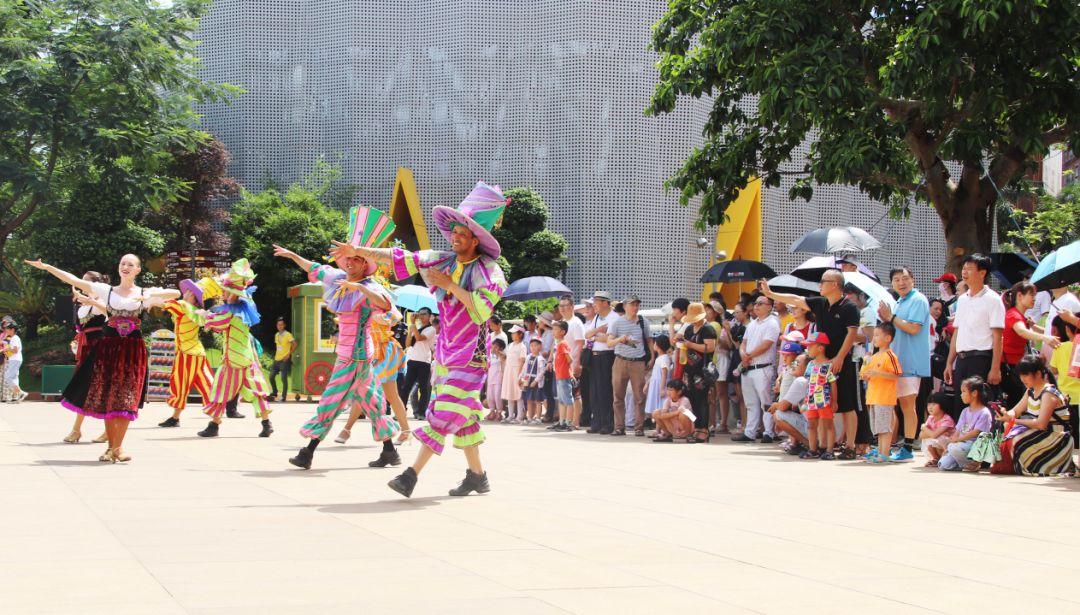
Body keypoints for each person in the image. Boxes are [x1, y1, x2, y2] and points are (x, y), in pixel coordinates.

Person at [336, 181, 508, 497]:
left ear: (475, 239)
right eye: (454, 230)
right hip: (445, 353)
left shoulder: (489, 272)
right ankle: (477, 476)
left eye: (462, 232)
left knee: (442, 415)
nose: (454, 236)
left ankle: (410, 475)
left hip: (471, 357)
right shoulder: (443, 259)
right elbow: (402, 257)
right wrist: (359, 251)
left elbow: (482, 311)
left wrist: (450, 285)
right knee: (465, 419)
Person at [27, 255, 179, 462]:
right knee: (108, 396)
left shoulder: (145, 293)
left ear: (138, 270)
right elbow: (72, 280)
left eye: (130, 264)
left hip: (133, 353)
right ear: (118, 268)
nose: (125, 267)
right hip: (108, 351)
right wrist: (46, 266)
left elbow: (176, 292)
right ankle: (113, 448)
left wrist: (149, 297)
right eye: (122, 264)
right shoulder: (105, 291)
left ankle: (117, 447)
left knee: (128, 398)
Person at [760, 272, 861, 457]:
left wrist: (839, 357)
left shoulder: (850, 307)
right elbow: (796, 299)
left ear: (835, 284)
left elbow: (851, 334)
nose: (820, 284)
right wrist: (771, 293)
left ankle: (851, 446)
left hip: (842, 362)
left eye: (823, 281)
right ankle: (822, 446)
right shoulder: (820, 303)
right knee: (822, 407)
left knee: (847, 405)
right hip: (820, 363)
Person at [196, 259, 274, 439]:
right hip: (247, 358)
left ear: (233, 294)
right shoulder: (246, 308)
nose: (223, 294)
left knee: (220, 391)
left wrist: (199, 314)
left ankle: (213, 425)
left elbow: (215, 322)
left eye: (226, 291)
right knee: (257, 392)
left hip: (233, 359)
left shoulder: (231, 312)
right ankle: (266, 423)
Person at [877, 266, 931, 461]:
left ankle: (908, 448)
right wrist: (886, 318)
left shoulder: (918, 299)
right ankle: (886, 447)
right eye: (897, 280)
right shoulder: (899, 302)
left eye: (905, 278)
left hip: (911, 362)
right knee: (892, 405)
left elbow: (913, 328)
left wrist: (891, 317)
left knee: (908, 405)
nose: (901, 282)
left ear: (913, 280)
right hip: (896, 362)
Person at [944, 254, 1005, 419]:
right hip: (962, 360)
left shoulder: (993, 299)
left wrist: (995, 368)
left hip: (981, 359)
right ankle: (962, 441)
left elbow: (998, 336)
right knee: (961, 403)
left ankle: (981, 443)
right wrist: (950, 362)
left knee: (980, 405)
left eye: (970, 268)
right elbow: (957, 331)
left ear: (982, 272)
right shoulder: (962, 299)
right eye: (964, 268)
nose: (965, 272)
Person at [998, 356, 1074, 476]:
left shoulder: (1048, 393)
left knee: (1017, 439)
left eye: (1025, 375)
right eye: (1021, 375)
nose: (1022, 379)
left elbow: (1041, 424)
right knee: (1007, 430)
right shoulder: (1031, 391)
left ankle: (1042, 466)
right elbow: (1016, 411)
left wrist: (1014, 420)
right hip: (1041, 433)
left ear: (1038, 374)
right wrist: (1005, 414)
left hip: (1056, 437)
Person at [157, 279, 213, 427]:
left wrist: (150, 297)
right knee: (206, 384)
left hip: (186, 353)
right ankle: (216, 415)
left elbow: (164, 304)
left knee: (180, 384)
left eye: (189, 291)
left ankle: (176, 418)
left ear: (192, 296)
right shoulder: (197, 312)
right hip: (198, 353)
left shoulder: (183, 306)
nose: (185, 292)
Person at [62, 272, 109, 444]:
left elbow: (109, 312)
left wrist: (90, 300)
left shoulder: (102, 301)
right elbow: (80, 329)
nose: (81, 283)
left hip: (98, 350)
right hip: (85, 348)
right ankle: (77, 430)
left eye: (85, 281)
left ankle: (103, 430)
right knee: (84, 388)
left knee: (98, 388)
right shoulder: (83, 306)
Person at [1000, 282, 1060, 405]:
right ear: (1020, 296)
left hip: (1016, 367)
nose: (1035, 298)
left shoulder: (1020, 316)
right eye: (1031, 295)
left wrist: (1035, 327)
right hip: (1010, 368)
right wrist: (1045, 338)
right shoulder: (1013, 315)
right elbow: (1022, 331)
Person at [733, 295, 780, 443]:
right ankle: (750, 432)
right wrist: (743, 355)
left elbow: (767, 344)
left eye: (761, 303)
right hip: (749, 367)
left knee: (765, 402)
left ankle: (768, 432)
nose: (757, 306)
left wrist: (749, 356)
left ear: (769, 306)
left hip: (763, 367)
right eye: (756, 303)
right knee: (751, 403)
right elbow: (743, 343)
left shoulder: (772, 323)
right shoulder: (752, 324)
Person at [608, 294, 651, 436]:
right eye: (632, 304)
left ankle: (639, 427)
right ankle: (619, 427)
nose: (635, 307)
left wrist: (652, 357)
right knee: (618, 397)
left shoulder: (643, 321)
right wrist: (620, 339)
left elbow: (649, 340)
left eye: (637, 304)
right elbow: (609, 342)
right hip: (620, 360)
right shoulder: (617, 322)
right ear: (625, 306)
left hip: (638, 362)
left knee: (639, 397)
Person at [860, 323, 903, 463]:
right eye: (874, 335)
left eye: (877, 335)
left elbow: (897, 375)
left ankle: (884, 453)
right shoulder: (874, 356)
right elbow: (863, 374)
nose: (874, 338)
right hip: (873, 397)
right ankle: (880, 452)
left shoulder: (890, 355)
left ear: (888, 338)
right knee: (878, 427)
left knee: (884, 427)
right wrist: (866, 364)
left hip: (885, 397)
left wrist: (878, 373)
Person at [677, 302, 717, 443]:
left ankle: (703, 429)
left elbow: (710, 347)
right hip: (689, 369)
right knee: (691, 399)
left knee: (702, 400)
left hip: (702, 370)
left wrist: (690, 345)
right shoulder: (689, 329)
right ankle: (694, 427)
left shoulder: (708, 329)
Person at [938, 377, 993, 471]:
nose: (961, 395)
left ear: (974, 393)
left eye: (964, 392)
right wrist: (952, 441)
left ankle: (975, 462)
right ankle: (966, 464)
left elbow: (976, 432)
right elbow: (958, 429)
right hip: (962, 444)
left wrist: (957, 441)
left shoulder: (984, 412)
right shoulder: (965, 411)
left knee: (954, 448)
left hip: (975, 445)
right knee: (943, 464)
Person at [584, 291, 619, 434]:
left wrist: (595, 336)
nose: (594, 305)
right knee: (595, 392)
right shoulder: (597, 318)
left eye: (596, 302)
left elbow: (609, 340)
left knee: (606, 391)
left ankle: (608, 423)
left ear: (605, 302)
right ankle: (596, 422)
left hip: (607, 356)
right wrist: (598, 332)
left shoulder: (614, 318)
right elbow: (587, 335)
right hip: (594, 356)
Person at [800, 332, 838, 460]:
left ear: (820, 348)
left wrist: (834, 401)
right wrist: (805, 398)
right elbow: (808, 382)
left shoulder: (828, 365)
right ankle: (813, 449)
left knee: (828, 425)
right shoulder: (810, 365)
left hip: (824, 401)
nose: (808, 349)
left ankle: (830, 450)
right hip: (811, 401)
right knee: (811, 424)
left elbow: (833, 384)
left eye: (810, 346)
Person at [770, 339, 808, 453]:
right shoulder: (790, 370)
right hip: (809, 421)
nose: (785, 358)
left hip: (811, 425)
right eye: (783, 355)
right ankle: (796, 442)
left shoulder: (799, 379)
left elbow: (784, 406)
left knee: (779, 413)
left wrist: (777, 405)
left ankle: (808, 445)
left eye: (788, 355)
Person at [1048, 317, 1079, 452]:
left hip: (1065, 398)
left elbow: (1053, 370)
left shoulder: (1060, 347)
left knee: (1068, 430)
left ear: (1067, 330)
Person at [557, 295, 586, 427]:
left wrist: (577, 364)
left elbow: (580, 344)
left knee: (575, 393)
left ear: (572, 306)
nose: (562, 308)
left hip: (572, 364)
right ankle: (563, 421)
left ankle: (575, 422)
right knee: (564, 394)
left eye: (565, 305)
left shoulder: (576, 323)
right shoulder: (562, 322)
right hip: (561, 366)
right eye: (560, 306)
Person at [1040, 286, 1080, 362]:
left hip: (1062, 352)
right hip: (1054, 351)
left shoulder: (1069, 301)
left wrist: (1072, 318)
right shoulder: (1057, 301)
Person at [919, 392, 957, 467]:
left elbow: (934, 435)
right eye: (929, 404)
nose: (930, 407)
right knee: (928, 440)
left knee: (939, 437)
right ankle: (936, 458)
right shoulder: (931, 418)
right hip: (938, 446)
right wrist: (929, 432)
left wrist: (923, 427)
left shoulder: (947, 419)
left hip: (947, 447)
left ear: (942, 405)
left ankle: (945, 458)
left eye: (934, 404)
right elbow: (921, 435)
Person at [551, 320, 575, 431]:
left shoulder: (563, 344)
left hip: (564, 375)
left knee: (568, 400)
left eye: (556, 329)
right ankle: (562, 422)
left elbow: (569, 359)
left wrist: (570, 372)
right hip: (559, 375)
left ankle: (569, 423)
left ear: (562, 332)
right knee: (561, 400)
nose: (553, 331)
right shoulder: (557, 344)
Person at [268, 317, 297, 402]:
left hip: (284, 360)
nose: (280, 326)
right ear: (277, 326)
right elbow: (278, 347)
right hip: (277, 359)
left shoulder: (288, 334)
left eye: (281, 325)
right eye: (278, 325)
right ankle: (274, 392)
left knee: (283, 378)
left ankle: (283, 396)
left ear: (284, 325)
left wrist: (289, 354)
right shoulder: (276, 335)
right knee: (271, 376)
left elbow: (295, 344)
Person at [502, 325, 526, 423]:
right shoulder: (510, 345)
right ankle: (510, 416)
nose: (512, 335)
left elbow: (522, 361)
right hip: (509, 371)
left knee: (518, 395)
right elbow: (507, 359)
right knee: (510, 393)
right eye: (511, 333)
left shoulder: (522, 346)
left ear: (520, 334)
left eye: (514, 333)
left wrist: (519, 375)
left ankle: (519, 417)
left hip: (517, 371)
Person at [645, 335, 673, 420]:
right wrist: (647, 383)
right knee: (657, 407)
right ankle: (658, 428)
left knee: (661, 406)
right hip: (656, 384)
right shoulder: (660, 358)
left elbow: (664, 374)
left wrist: (661, 389)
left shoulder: (664, 358)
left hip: (661, 385)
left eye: (655, 343)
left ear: (658, 346)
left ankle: (662, 428)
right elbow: (654, 374)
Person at [520, 338, 546, 424]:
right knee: (529, 399)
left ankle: (538, 418)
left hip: (536, 382)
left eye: (535, 345)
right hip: (528, 380)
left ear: (540, 346)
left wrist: (536, 381)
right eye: (531, 346)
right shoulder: (528, 357)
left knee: (538, 400)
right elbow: (524, 369)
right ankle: (529, 417)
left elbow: (542, 371)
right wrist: (521, 378)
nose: (533, 347)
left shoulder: (540, 358)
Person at [1, 319, 25, 403]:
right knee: (13, 378)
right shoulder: (12, 338)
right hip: (14, 359)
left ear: (12, 330)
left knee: (8, 377)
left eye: (7, 328)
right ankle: (18, 396)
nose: (6, 330)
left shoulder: (15, 338)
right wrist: (5, 350)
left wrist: (6, 349)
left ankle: (21, 393)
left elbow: (15, 350)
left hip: (15, 360)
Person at [484, 337, 506, 421]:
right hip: (490, 379)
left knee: (497, 396)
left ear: (500, 348)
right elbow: (487, 366)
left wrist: (498, 353)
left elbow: (503, 359)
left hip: (498, 380)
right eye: (493, 346)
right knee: (490, 397)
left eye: (496, 347)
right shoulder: (489, 355)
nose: (493, 348)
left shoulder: (502, 355)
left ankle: (499, 412)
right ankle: (492, 411)